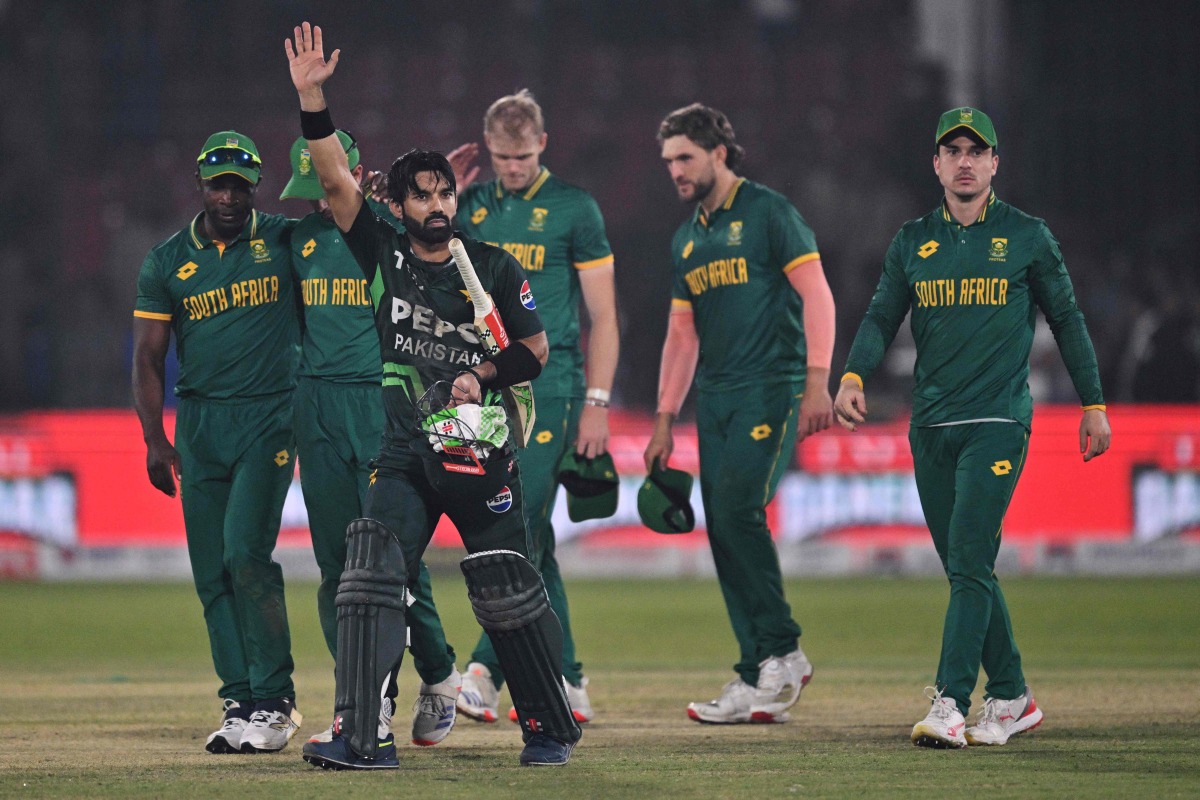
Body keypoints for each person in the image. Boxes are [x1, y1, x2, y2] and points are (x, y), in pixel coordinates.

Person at [285, 22, 581, 769]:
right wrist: (313, 99)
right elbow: (331, 181)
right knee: (371, 575)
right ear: (402, 205)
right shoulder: (380, 251)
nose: (438, 203)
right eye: (422, 195)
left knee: (507, 588)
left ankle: (546, 729)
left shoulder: (493, 265)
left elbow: (536, 353)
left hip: (479, 446)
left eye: (445, 191)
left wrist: (482, 376)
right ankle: (364, 736)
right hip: (406, 450)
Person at [833, 106, 1111, 748]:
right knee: (970, 565)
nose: (963, 160)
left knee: (965, 562)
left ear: (993, 163)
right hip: (931, 424)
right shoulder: (911, 241)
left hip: (997, 420)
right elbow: (879, 318)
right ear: (935, 163)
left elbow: (1067, 319)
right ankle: (1012, 695)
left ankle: (952, 701)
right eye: (951, 150)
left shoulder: (1028, 236)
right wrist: (853, 376)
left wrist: (1093, 401)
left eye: (975, 150)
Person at [643, 104, 836, 724]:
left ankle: (783, 652)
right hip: (717, 398)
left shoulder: (770, 214)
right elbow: (681, 337)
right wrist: (665, 418)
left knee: (736, 510)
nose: (675, 169)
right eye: (669, 159)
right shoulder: (687, 237)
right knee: (723, 523)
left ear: (719, 153)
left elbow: (818, 294)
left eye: (685, 157)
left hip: (771, 386)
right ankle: (757, 674)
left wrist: (816, 381)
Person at [279, 131, 461, 748]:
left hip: (382, 405)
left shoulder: (389, 236)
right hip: (319, 408)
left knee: (391, 563)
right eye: (311, 195)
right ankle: (360, 696)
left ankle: (436, 673)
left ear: (356, 174)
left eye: (328, 188)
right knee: (336, 568)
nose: (320, 203)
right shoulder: (298, 242)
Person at [448, 89, 619, 726]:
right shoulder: (475, 205)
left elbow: (603, 315)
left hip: (551, 387)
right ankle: (566, 677)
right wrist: (449, 193)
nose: (512, 167)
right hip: (487, 386)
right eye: (501, 157)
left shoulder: (575, 209)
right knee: (535, 539)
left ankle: (484, 670)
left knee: (516, 527)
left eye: (521, 156)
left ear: (542, 144)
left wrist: (597, 402)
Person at [132, 130, 303, 754]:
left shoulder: (286, 241)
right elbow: (148, 359)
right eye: (218, 183)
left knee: (244, 554)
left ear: (255, 185)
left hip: (269, 419)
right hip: (200, 427)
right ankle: (240, 702)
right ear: (200, 185)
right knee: (210, 572)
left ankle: (276, 701)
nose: (229, 195)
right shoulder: (166, 260)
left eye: (239, 183)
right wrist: (155, 439)